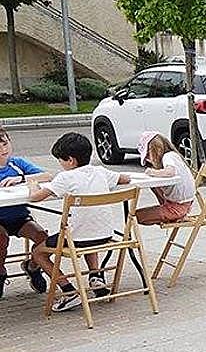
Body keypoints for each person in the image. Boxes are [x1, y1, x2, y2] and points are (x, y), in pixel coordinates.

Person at [26, 132, 131, 312]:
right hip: (105, 234)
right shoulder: (100, 171)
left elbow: (35, 198)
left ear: (71, 160)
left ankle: (68, 291)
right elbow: (125, 179)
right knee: (88, 227)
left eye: (60, 160)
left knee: (38, 253)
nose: (60, 164)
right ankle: (95, 276)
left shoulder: (65, 178)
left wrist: (33, 183)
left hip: (78, 238)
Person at [0, 125, 51, 298]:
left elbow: (48, 176)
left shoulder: (18, 164)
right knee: (1, 239)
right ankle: (1, 273)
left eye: (5, 144)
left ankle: (33, 266)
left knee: (43, 238)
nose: (2, 150)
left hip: (20, 217)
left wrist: (21, 178)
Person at [134, 132, 195, 225]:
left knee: (134, 216)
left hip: (176, 209)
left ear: (155, 149)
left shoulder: (168, 156)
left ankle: (168, 215)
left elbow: (170, 172)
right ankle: (165, 208)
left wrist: (153, 172)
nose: (148, 160)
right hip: (183, 205)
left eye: (147, 156)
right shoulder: (174, 156)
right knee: (153, 185)